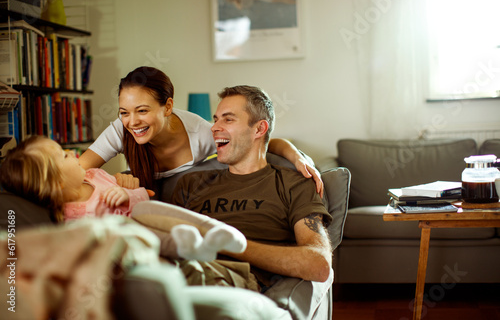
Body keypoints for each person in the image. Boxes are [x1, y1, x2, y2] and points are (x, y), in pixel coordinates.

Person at [170, 85, 332, 289]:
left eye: (228, 119)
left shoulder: (292, 183)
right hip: (173, 269)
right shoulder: (191, 183)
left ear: (259, 129)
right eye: (216, 118)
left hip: (227, 278)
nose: (214, 127)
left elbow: (319, 263)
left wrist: (230, 244)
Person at [78, 66, 323, 195]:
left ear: (168, 106)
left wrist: (297, 157)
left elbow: (258, 141)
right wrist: (112, 182)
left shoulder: (200, 133)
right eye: (124, 112)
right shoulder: (120, 130)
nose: (132, 121)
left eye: (142, 111)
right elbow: (78, 171)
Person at [0, 136, 247, 262]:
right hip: (137, 242)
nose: (71, 152)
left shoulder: (95, 175)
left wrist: (127, 195)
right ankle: (189, 248)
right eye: (62, 156)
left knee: (146, 210)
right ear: (56, 183)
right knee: (130, 226)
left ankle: (217, 231)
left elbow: (144, 198)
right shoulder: (71, 218)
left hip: (147, 215)